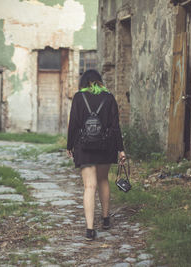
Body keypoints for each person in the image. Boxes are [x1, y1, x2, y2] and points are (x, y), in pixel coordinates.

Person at [66, 69, 126, 241]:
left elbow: (73, 124)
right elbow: (115, 127)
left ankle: (90, 229)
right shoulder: (109, 97)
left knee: (89, 187)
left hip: (83, 147)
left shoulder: (78, 98)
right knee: (103, 180)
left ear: (83, 82)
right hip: (105, 146)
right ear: (100, 82)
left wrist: (69, 145)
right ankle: (106, 219)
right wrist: (120, 149)